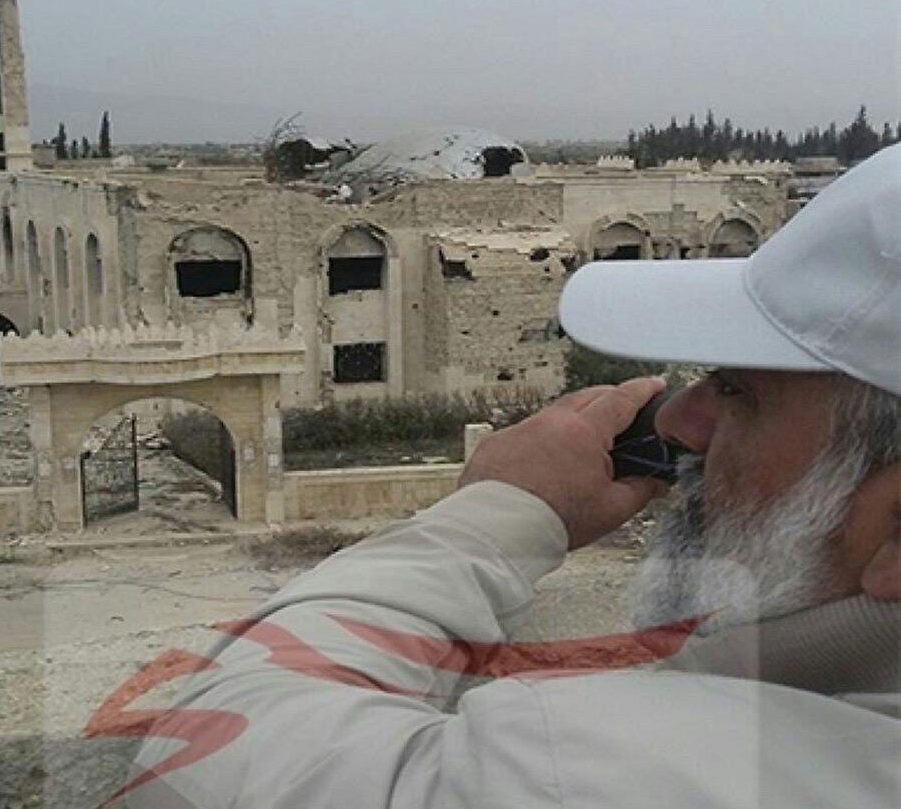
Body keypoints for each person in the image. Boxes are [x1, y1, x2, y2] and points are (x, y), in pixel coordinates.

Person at [127, 144, 899, 808]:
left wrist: (490, 518)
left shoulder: (611, 771)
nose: (676, 420)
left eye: (738, 391)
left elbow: (207, 761)